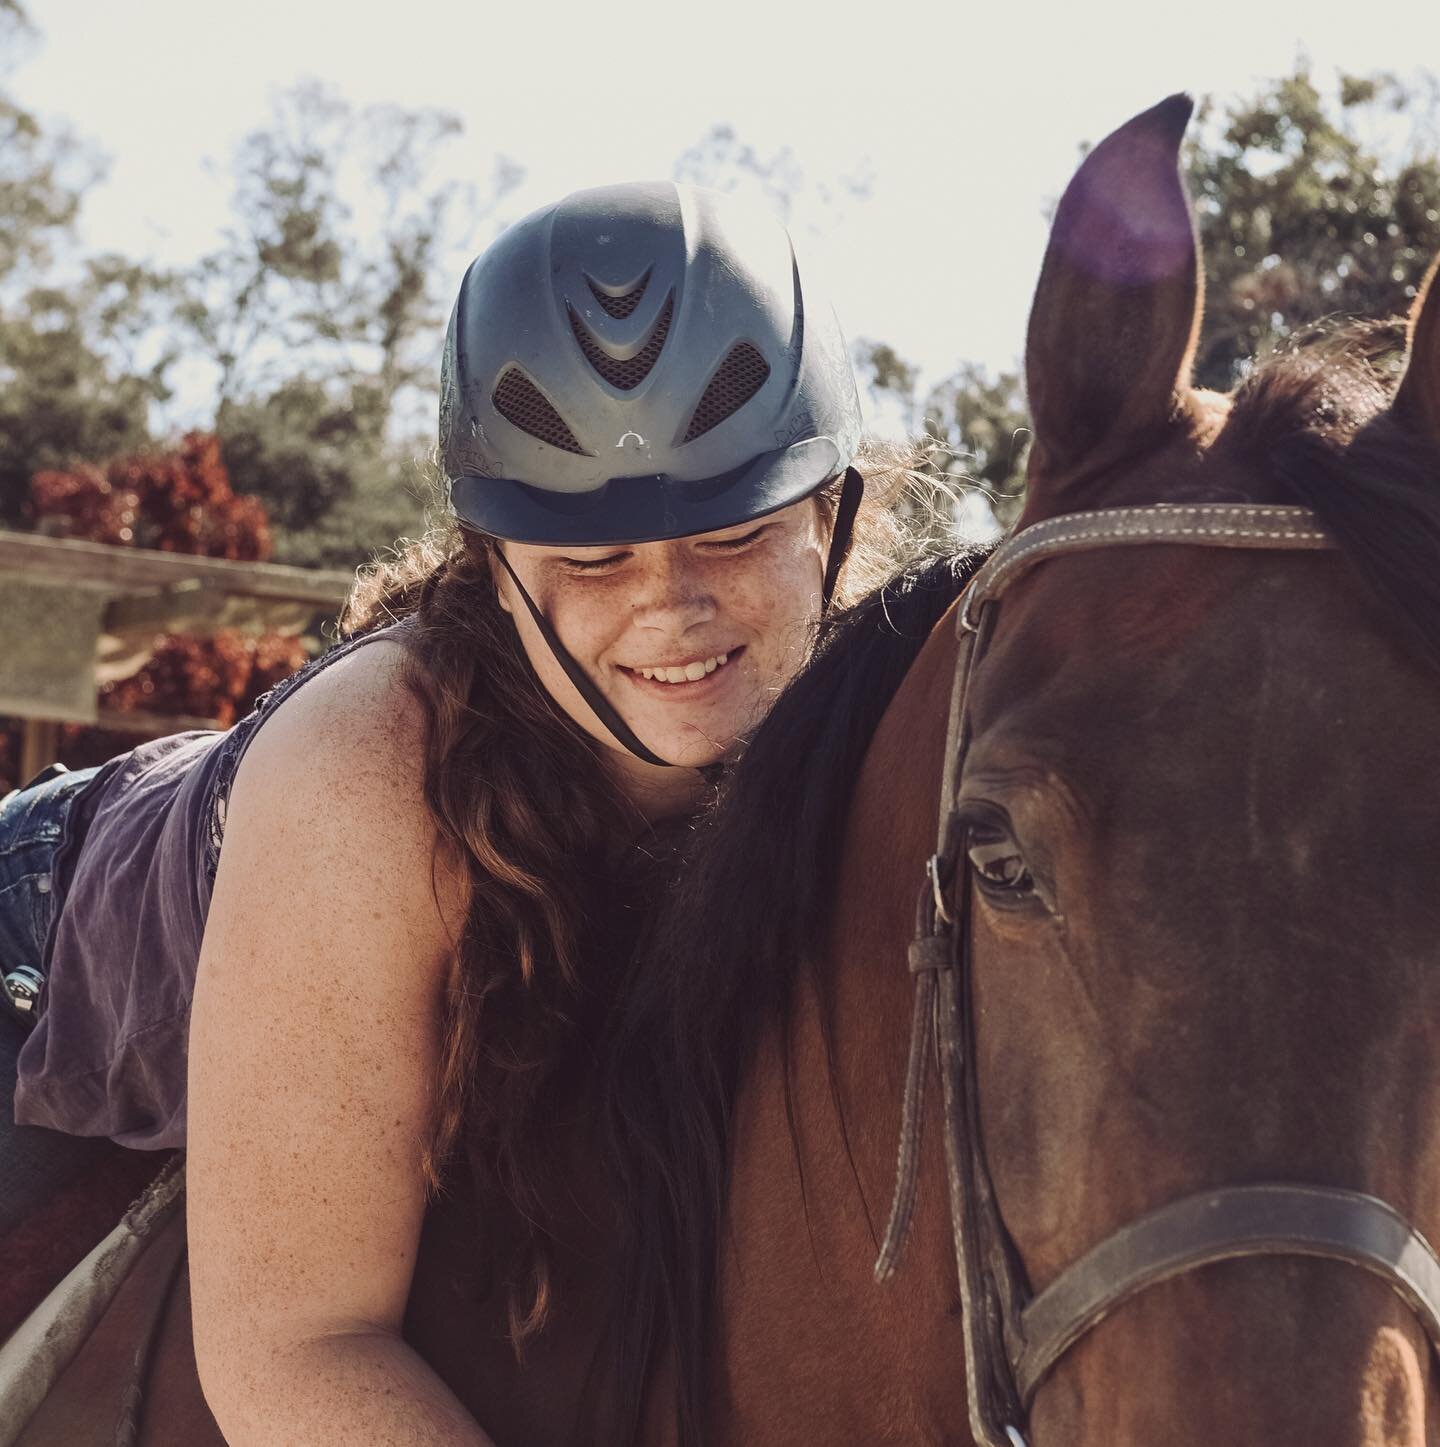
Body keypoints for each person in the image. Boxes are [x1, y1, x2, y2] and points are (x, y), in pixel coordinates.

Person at [0, 181, 919, 1443]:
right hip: (37, 935)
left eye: (737, 535)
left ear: (835, 510)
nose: (672, 607)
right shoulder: (376, 774)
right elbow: (295, 1347)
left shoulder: (888, 727)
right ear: (493, 565)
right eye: (591, 562)